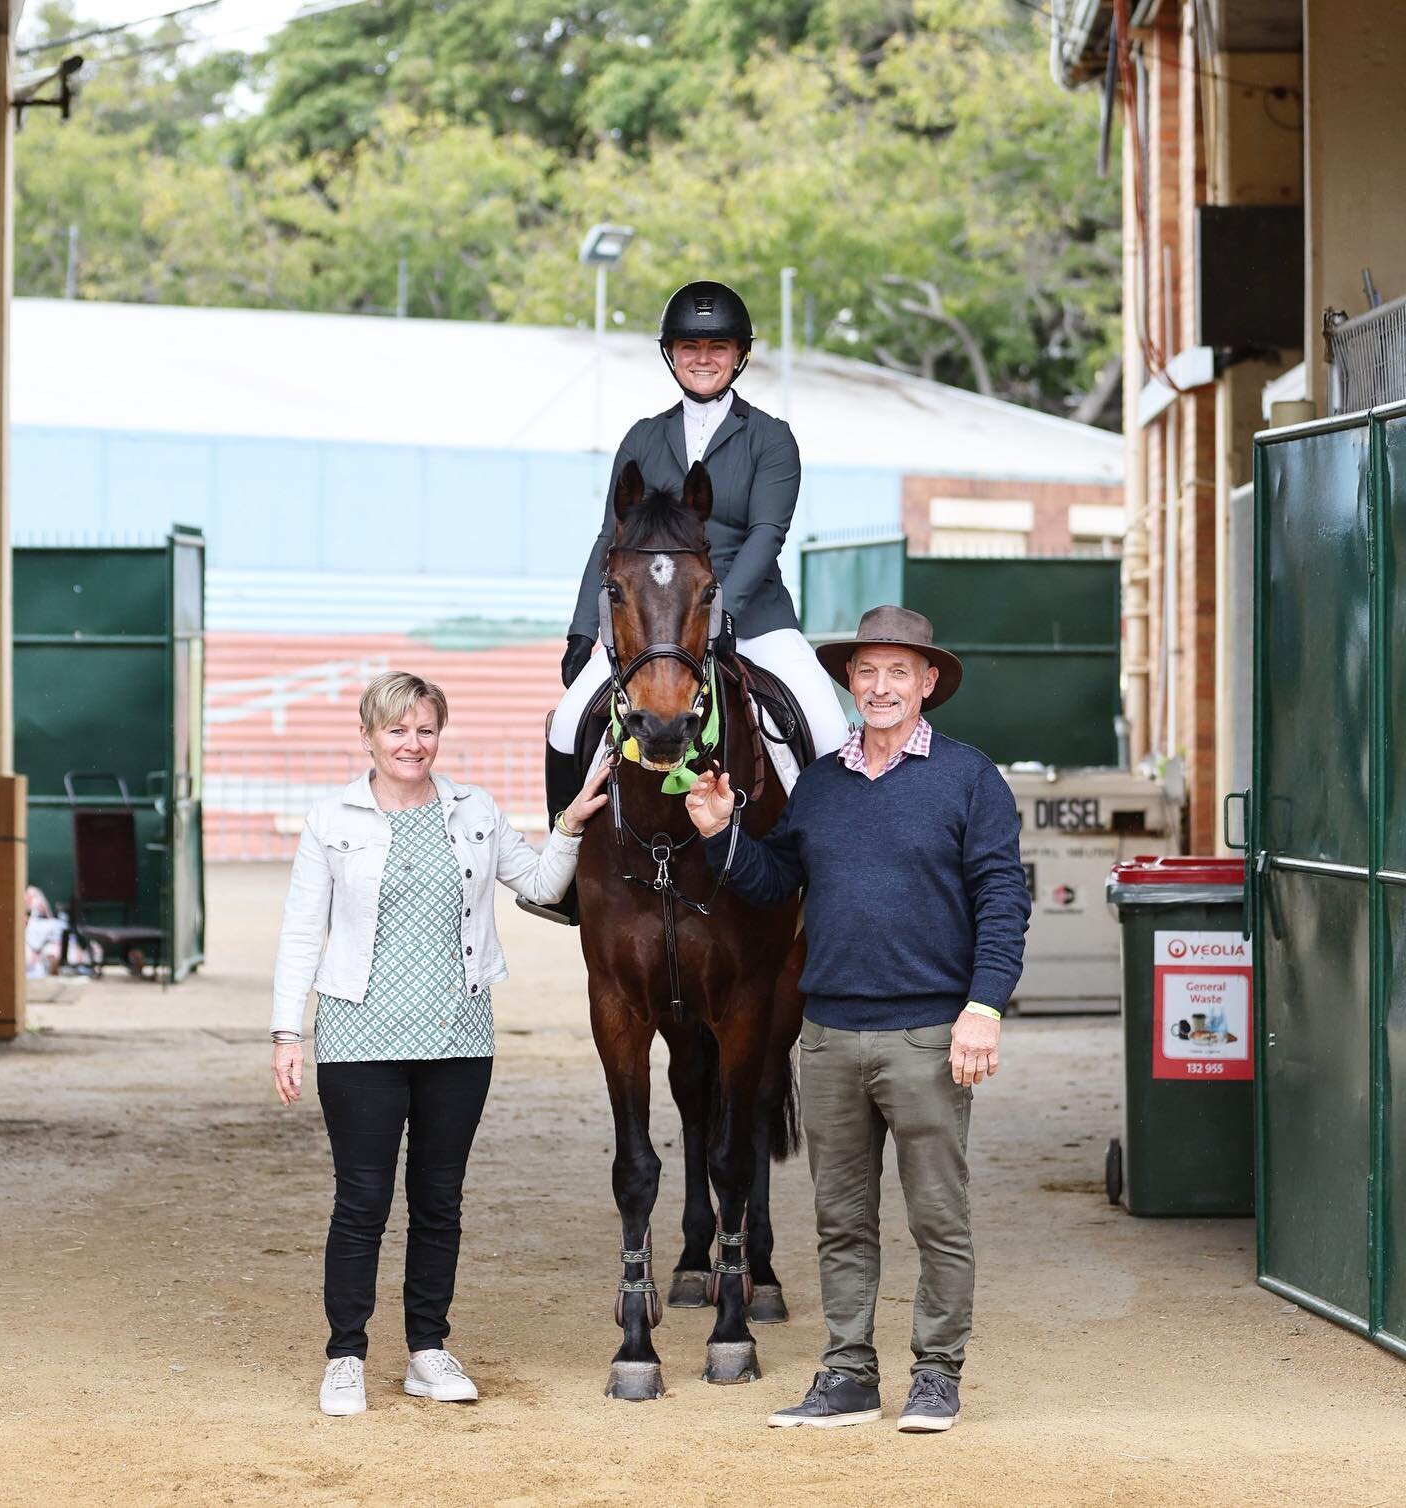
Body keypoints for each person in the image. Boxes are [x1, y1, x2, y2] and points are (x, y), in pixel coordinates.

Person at [683, 605, 1030, 1433]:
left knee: (938, 1219)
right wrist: (720, 833)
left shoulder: (969, 778)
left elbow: (1002, 901)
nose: (880, 687)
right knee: (841, 1221)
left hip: (927, 1037)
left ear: (928, 684)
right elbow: (775, 885)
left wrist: (983, 1007)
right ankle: (847, 1375)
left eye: (898, 673)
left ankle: (937, 1376)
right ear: (851, 680)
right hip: (830, 1037)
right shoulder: (823, 783)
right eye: (867, 672)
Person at [270, 671, 609, 1417]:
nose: (411, 744)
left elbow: (542, 886)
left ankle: (427, 1349)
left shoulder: (473, 810)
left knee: (439, 1200)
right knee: (362, 1202)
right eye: (396, 730)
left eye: (424, 730)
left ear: (438, 735)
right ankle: (346, 1356)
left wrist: (573, 824)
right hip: (360, 1035)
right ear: (369, 736)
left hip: (458, 1033)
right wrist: (287, 1031)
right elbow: (302, 932)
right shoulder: (332, 818)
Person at [532, 279, 850, 921]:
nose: (703, 358)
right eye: (689, 346)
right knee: (568, 723)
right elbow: (610, 539)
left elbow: (768, 532)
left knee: (828, 725)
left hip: (750, 615)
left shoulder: (770, 437)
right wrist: (580, 630)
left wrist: (724, 608)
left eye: (717, 346)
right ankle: (568, 878)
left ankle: (831, 884)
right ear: (671, 355)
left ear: (739, 355)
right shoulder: (643, 438)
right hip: (651, 625)